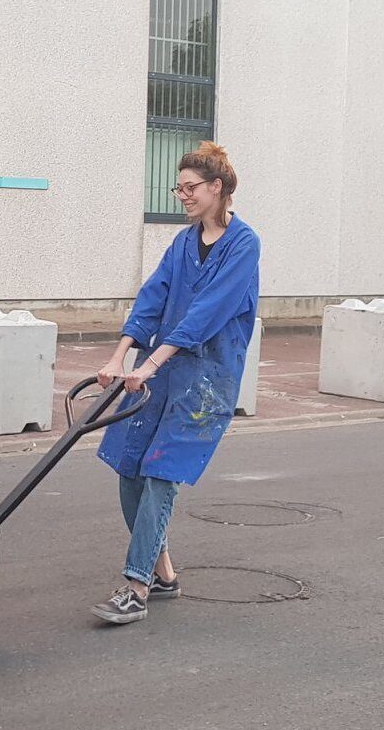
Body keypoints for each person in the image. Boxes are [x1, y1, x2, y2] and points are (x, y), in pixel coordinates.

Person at [91, 141, 260, 624]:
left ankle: (136, 587)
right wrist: (120, 356)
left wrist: (150, 364)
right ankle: (163, 572)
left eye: (190, 188)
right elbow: (153, 297)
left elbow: (207, 312)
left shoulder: (244, 244)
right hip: (160, 371)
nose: (182, 196)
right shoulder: (184, 243)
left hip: (206, 380)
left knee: (162, 473)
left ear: (216, 188)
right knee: (129, 466)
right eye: (178, 188)